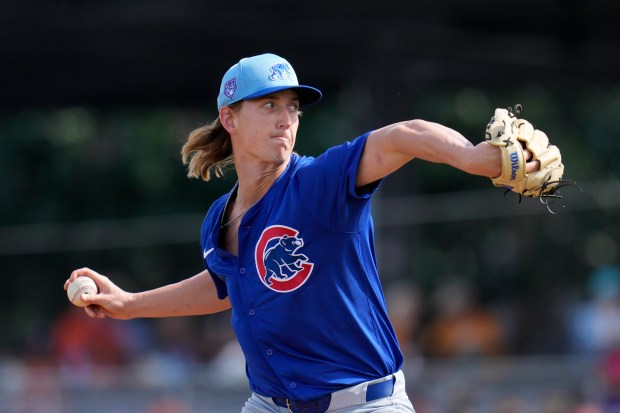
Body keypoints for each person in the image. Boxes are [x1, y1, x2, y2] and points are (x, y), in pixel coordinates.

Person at [64, 52, 541, 413]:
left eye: (292, 107)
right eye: (269, 105)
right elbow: (226, 284)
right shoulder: (220, 217)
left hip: (362, 404)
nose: (285, 119)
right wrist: (128, 304)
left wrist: (471, 157)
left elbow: (403, 135)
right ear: (229, 118)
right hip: (272, 403)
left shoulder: (319, 184)